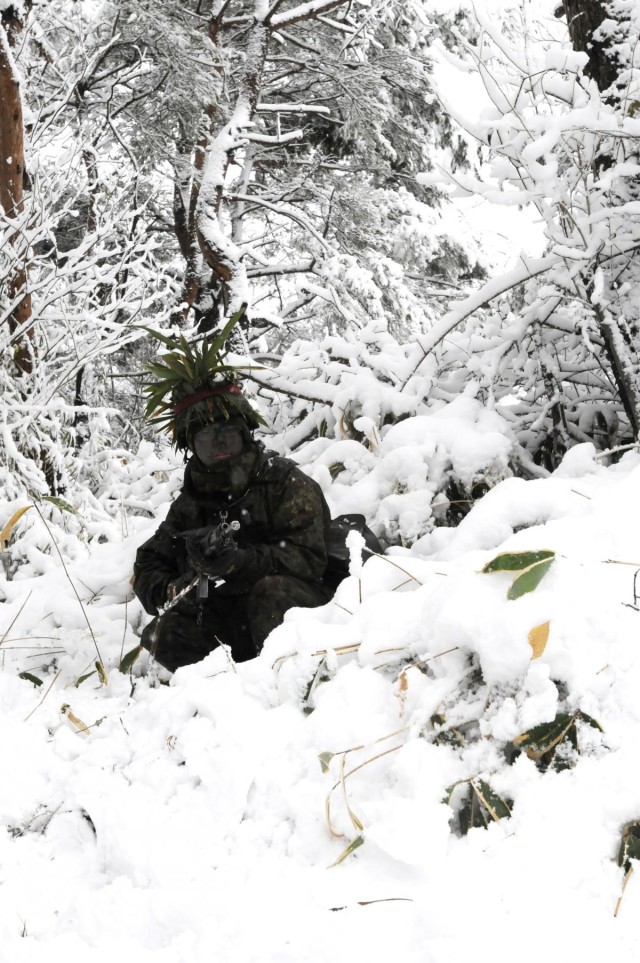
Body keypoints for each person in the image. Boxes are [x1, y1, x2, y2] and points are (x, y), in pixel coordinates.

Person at [133, 381, 333, 672]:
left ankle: (282, 682)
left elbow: (310, 559)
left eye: (229, 433)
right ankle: (224, 695)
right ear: (191, 447)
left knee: (271, 593)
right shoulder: (190, 504)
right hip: (232, 619)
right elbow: (148, 564)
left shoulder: (285, 484)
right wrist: (178, 590)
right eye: (207, 437)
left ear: (245, 434)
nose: (220, 444)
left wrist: (240, 562)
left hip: (304, 612)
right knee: (161, 635)